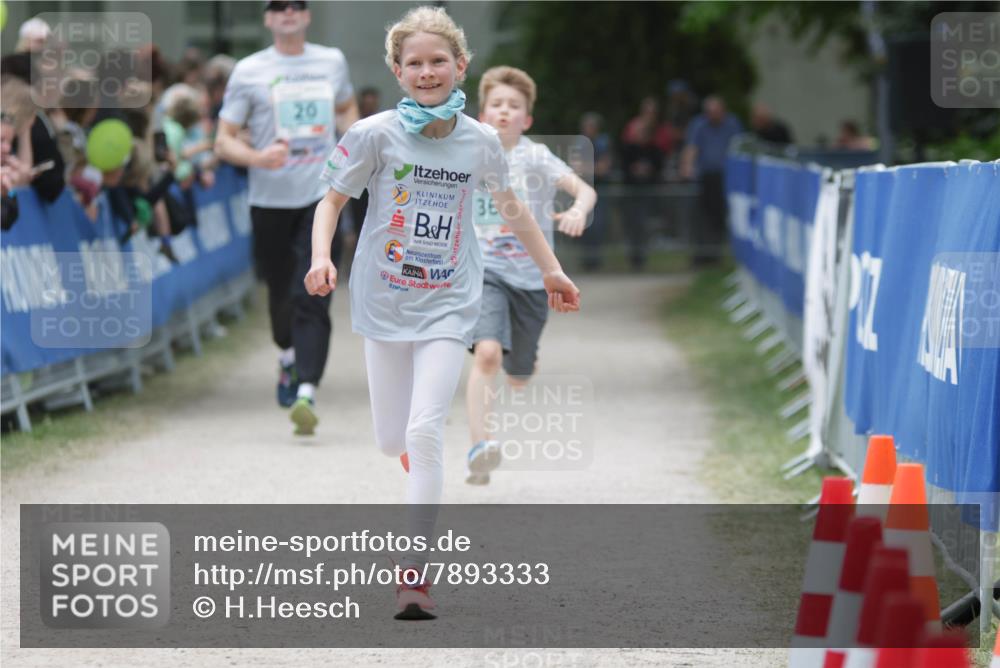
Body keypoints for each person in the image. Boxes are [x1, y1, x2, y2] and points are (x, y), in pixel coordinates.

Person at [304, 6, 580, 619]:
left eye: (438, 61)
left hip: (451, 300)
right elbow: (330, 202)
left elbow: (512, 209)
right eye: (413, 63)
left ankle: (413, 577)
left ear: (460, 66)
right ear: (397, 72)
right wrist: (322, 256)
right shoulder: (373, 133)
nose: (426, 72)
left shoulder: (480, 140)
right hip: (383, 299)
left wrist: (551, 270)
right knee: (390, 441)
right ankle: (412, 461)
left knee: (426, 433)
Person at [215, 0, 359, 436]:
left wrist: (349, 149)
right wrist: (259, 156)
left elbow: (347, 112)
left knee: (314, 289)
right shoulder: (249, 70)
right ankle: (287, 357)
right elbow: (223, 141)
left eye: (297, 5)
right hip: (270, 200)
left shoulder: (331, 61)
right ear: (268, 19)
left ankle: (307, 389)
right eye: (278, 7)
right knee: (281, 290)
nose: (288, 12)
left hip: (323, 196)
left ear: (307, 15)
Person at [464, 65, 596, 485]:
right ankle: (480, 445)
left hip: (532, 279)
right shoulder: (467, 155)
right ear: (482, 115)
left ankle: (523, 363)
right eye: (496, 105)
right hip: (485, 272)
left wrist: (577, 210)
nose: (504, 112)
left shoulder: (535, 155)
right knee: (486, 354)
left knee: (518, 371)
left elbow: (585, 190)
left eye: (514, 106)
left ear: (528, 119)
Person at [680, 95, 742, 266]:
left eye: (715, 112)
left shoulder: (732, 124)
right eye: (709, 112)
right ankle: (702, 253)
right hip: (704, 178)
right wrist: (687, 167)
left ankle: (716, 253)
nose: (712, 115)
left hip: (725, 178)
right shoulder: (699, 124)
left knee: (719, 217)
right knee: (701, 217)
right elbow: (691, 148)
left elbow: (738, 148)